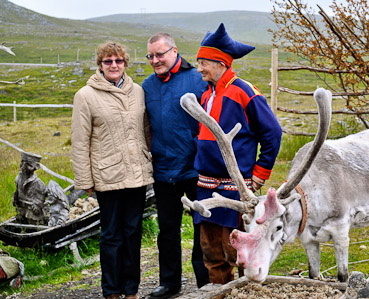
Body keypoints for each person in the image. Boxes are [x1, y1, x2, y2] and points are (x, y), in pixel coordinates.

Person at [194, 23, 282, 284]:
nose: (199, 69)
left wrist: (258, 176)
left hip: (236, 190)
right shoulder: (205, 96)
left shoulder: (244, 92)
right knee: (212, 255)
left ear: (221, 63)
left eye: (204, 63)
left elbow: (272, 133)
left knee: (239, 253)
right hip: (206, 188)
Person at [71, 41, 154, 299]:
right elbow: (80, 141)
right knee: (110, 236)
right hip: (106, 176)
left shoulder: (138, 92)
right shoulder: (85, 95)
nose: (114, 65)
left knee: (133, 233)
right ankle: (111, 291)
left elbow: (146, 131)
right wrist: (85, 180)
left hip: (137, 175)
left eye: (118, 60)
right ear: (100, 65)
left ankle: (131, 291)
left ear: (125, 63)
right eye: (108, 61)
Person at [142, 33, 210, 298]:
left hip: (195, 168)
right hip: (163, 170)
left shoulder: (197, 79)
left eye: (160, 54)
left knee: (200, 226)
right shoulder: (147, 86)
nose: (155, 60)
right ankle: (169, 283)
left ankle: (205, 281)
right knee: (167, 231)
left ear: (174, 51)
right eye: (151, 56)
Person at [13, 151, 46, 225]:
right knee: (20, 221)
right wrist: (15, 199)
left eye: (28, 164)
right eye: (22, 163)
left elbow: (41, 196)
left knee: (33, 223)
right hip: (21, 208)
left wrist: (37, 205)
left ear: (36, 167)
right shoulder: (18, 178)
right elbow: (17, 191)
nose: (23, 167)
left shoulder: (38, 183)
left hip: (32, 211)